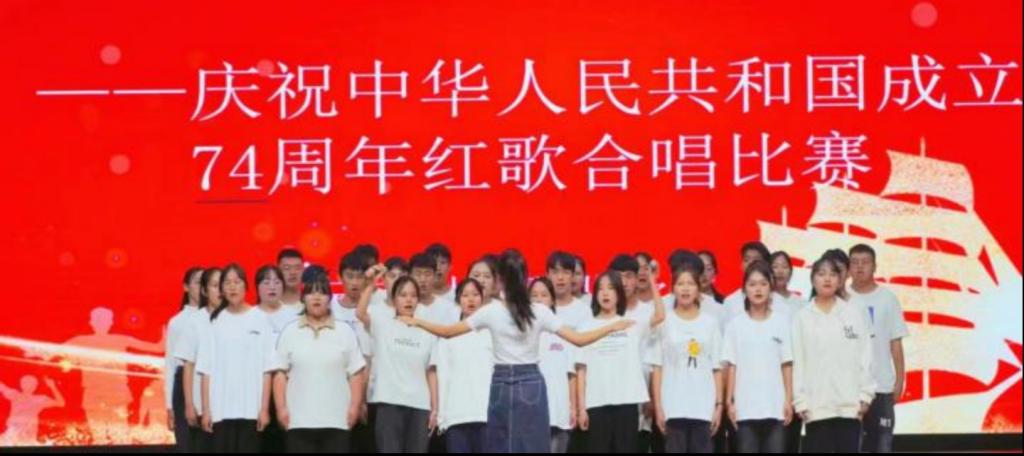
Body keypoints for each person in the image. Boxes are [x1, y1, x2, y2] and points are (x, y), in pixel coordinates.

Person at [397, 257, 634, 453]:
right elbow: (579, 339)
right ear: (525, 278)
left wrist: (417, 321)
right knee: (532, 445)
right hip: (531, 383)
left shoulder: (491, 311)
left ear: (500, 280)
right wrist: (611, 327)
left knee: (500, 446)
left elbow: (448, 332)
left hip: (500, 383)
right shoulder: (539, 311)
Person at [273, 270, 366, 453]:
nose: (316, 297)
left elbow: (356, 373)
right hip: (298, 421)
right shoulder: (290, 331)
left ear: (329, 298)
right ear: (303, 298)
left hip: (337, 420)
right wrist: (281, 408)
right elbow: (280, 374)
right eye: (311, 292)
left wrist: (355, 406)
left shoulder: (345, 331)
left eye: (322, 292)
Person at [791, 256, 875, 453]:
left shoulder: (853, 313)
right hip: (816, 407)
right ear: (813, 280)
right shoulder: (802, 317)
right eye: (821, 274)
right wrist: (800, 400)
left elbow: (865, 356)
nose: (827, 279)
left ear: (839, 280)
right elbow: (798, 361)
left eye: (832, 274)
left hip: (849, 406)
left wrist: (865, 394)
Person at [197, 264, 277, 453]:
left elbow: (267, 369)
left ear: (246, 286)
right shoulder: (215, 321)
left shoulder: (260, 319)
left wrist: (264, 408)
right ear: (222, 289)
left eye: (237, 282)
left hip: (251, 410)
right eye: (227, 283)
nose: (232, 287)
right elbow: (206, 370)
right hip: (220, 411)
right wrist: (206, 410)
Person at [650, 264, 723, 453]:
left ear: (698, 289)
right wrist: (658, 407)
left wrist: (718, 405)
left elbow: (716, 368)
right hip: (673, 405)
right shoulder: (664, 322)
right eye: (680, 284)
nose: (685, 288)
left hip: (703, 405)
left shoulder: (710, 323)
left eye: (690, 284)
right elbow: (658, 367)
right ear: (673, 289)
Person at [722, 260, 793, 453]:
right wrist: (729, 401)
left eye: (763, 284)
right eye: (752, 284)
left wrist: (788, 400)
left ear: (771, 288)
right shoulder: (735, 325)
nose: (758, 289)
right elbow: (732, 365)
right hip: (745, 408)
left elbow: (786, 364)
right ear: (744, 290)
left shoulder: (781, 323)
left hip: (775, 406)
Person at [848, 244, 908, 453]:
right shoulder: (842, 298)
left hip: (882, 386)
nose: (860, 267)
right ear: (848, 267)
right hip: (850, 388)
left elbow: (895, 343)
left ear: (875, 266)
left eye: (865, 262)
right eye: (854, 262)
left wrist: (899, 381)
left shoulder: (888, 298)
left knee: (882, 445)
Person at [431, 278, 494, 453]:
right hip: (456, 415)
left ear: (482, 298)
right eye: (465, 295)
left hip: (486, 415)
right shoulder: (448, 335)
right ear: (458, 300)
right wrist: (442, 414)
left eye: (475, 294)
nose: (471, 299)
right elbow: (443, 375)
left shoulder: (492, 333)